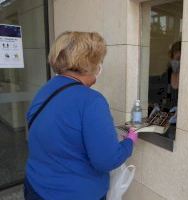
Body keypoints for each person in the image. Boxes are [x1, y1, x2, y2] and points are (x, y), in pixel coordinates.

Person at [24, 31, 138, 200]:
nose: (100, 66)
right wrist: (130, 141)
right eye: (99, 61)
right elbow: (106, 160)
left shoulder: (45, 90)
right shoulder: (92, 101)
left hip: (35, 186)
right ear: (89, 64)